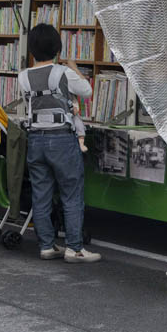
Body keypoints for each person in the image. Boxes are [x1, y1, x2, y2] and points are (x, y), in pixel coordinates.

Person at [18, 23, 100, 263]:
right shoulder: (64, 73)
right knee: (71, 193)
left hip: (35, 140)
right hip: (62, 139)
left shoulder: (23, 76)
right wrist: (74, 68)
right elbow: (86, 91)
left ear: (32, 50)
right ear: (57, 48)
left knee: (41, 194)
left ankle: (46, 245)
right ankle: (74, 248)